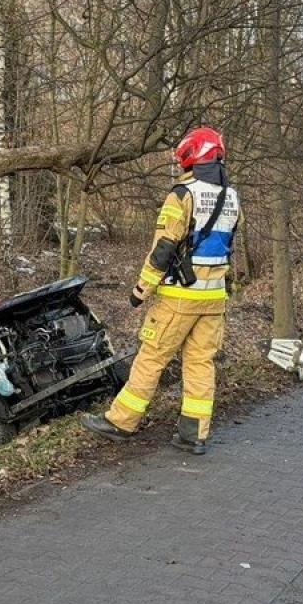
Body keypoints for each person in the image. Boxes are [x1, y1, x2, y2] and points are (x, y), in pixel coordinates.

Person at [82, 125, 241, 455]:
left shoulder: (182, 195)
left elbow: (164, 249)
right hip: (214, 298)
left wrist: (142, 288)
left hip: (180, 297)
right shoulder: (233, 198)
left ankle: (120, 422)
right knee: (200, 364)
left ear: (191, 156)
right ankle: (193, 435)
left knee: (151, 358)